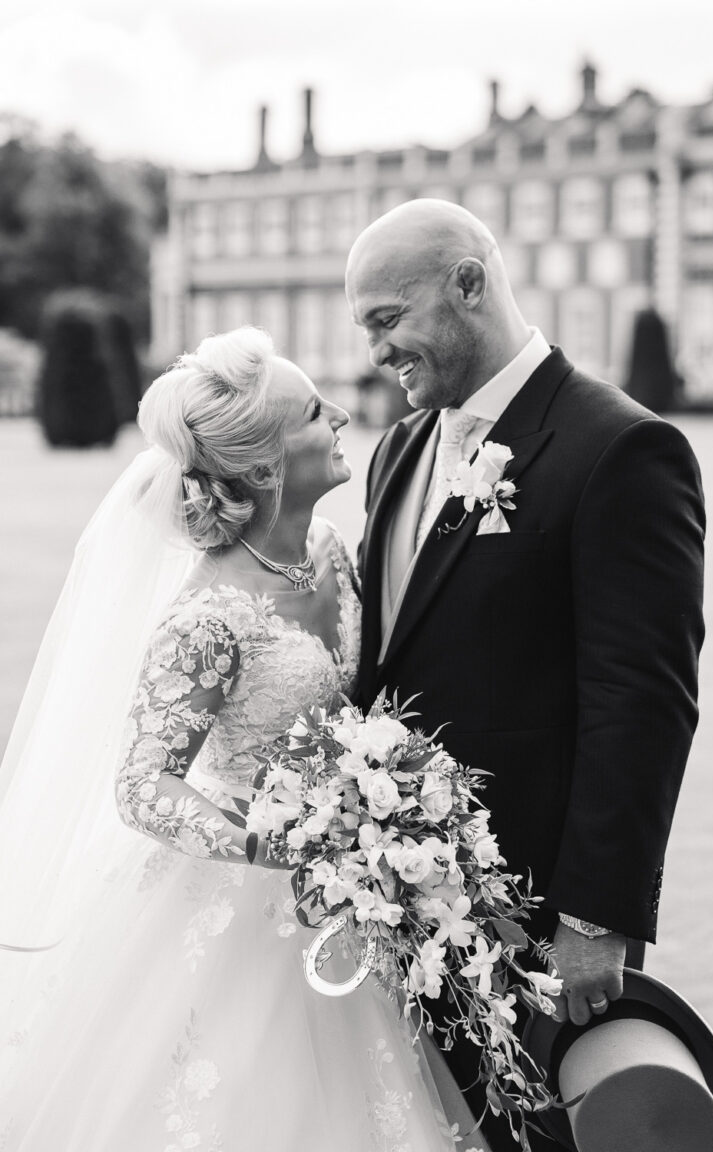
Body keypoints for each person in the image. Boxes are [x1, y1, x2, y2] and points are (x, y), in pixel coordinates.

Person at [0, 327, 466, 1151]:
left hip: (343, 889)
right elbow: (144, 785)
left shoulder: (327, 552)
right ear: (261, 466)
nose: (340, 417)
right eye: (313, 413)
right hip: (239, 891)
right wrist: (283, 842)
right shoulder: (208, 621)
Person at [346, 200, 706, 1150]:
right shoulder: (398, 448)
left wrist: (597, 915)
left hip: (535, 905)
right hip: (402, 894)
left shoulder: (620, 448)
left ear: (469, 283)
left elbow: (644, 699)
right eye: (366, 328)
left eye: (388, 318)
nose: (378, 351)